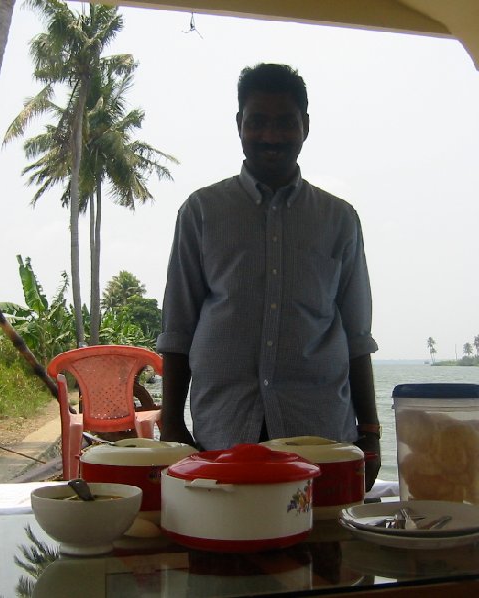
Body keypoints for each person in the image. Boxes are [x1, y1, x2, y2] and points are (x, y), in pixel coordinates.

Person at [156, 63, 381, 490]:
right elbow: (178, 329)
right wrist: (170, 423)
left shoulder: (339, 219)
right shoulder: (201, 212)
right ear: (240, 124)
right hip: (223, 430)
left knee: (322, 551)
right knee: (223, 550)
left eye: (285, 123)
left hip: (320, 435)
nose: (271, 136)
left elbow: (356, 335)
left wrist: (369, 431)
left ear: (306, 127)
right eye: (258, 122)